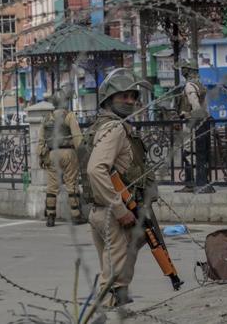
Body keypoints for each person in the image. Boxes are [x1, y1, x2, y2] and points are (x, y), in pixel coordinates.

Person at [85, 68, 156, 307]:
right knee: (112, 281)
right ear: (109, 99)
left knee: (117, 263)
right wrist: (119, 209)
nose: (129, 101)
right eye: (123, 96)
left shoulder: (104, 125)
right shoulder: (114, 128)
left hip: (101, 209)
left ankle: (119, 298)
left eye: (132, 96)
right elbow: (95, 170)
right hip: (112, 211)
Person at [37, 88, 87, 227]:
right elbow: (77, 138)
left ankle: (50, 217)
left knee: (52, 187)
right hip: (68, 153)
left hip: (52, 154)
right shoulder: (69, 116)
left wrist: (42, 157)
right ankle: (76, 215)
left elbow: (40, 141)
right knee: (72, 184)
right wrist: (83, 154)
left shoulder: (47, 118)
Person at [174, 59, 209, 192]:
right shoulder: (199, 84)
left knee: (188, 151)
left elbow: (195, 105)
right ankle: (197, 181)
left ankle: (191, 183)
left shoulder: (189, 86)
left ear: (188, 71)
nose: (182, 71)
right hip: (199, 123)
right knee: (195, 151)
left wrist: (190, 116)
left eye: (184, 69)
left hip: (191, 123)